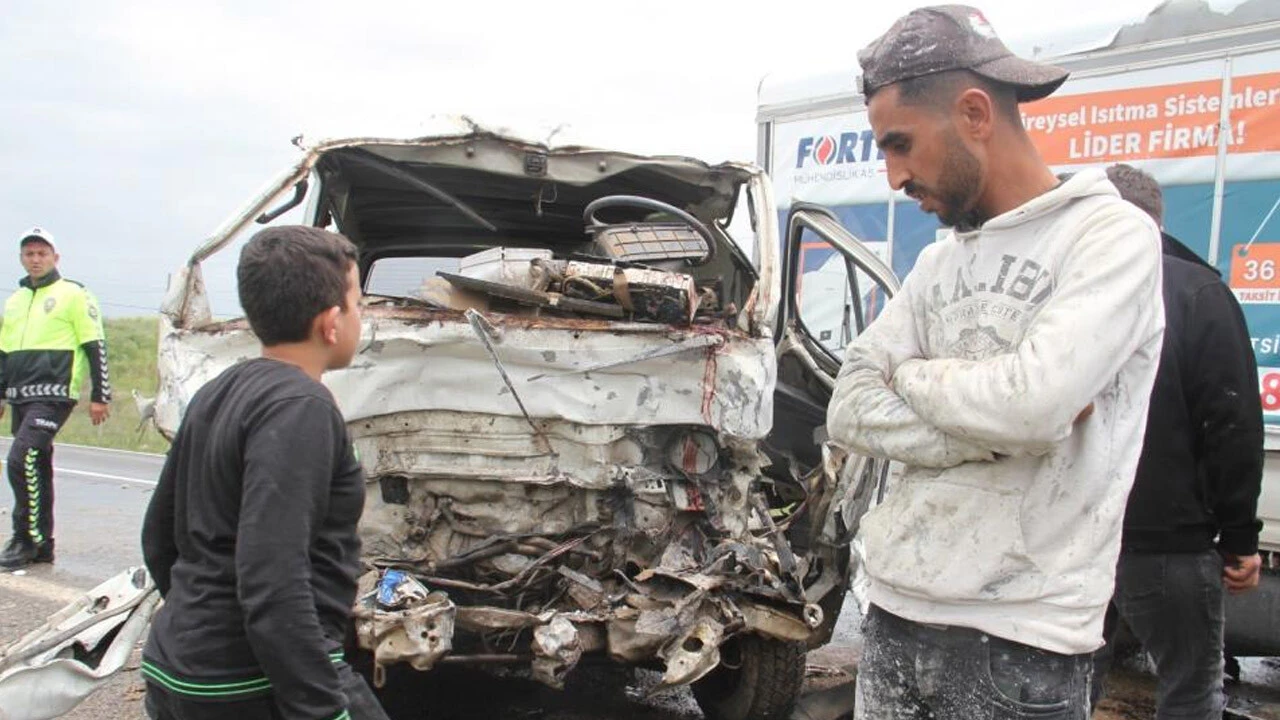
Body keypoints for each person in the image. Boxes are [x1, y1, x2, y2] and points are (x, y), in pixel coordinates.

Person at [828, 6, 1165, 718]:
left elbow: (1034, 404)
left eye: (899, 144)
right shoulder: (938, 261)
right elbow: (849, 404)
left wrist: (914, 378)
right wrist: (988, 428)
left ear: (975, 113)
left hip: (1021, 640)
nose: (892, 177)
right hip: (892, 610)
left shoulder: (1108, 237)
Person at [141, 225, 388, 720]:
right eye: (358, 303)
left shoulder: (219, 390)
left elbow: (159, 537)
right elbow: (272, 576)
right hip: (245, 681)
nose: (363, 316)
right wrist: (321, 708)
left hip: (179, 663)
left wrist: (199, 625)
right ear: (330, 323)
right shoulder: (303, 408)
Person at [1091, 163, 1263, 719]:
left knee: (1066, 679)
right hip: (1166, 540)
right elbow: (1232, 424)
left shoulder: (1068, 291)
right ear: (1156, 219)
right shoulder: (1197, 292)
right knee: (1189, 690)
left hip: (1075, 535)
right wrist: (1239, 538)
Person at [0, 227, 111, 570]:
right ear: (22, 258)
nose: (35, 259)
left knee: (21, 459)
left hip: (54, 394)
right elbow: (4, 353)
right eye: (29, 254)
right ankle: (43, 543)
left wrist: (100, 395)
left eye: (42, 253)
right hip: (21, 395)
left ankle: (25, 538)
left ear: (55, 257)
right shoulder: (15, 300)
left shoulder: (74, 294)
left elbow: (96, 344)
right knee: (37, 465)